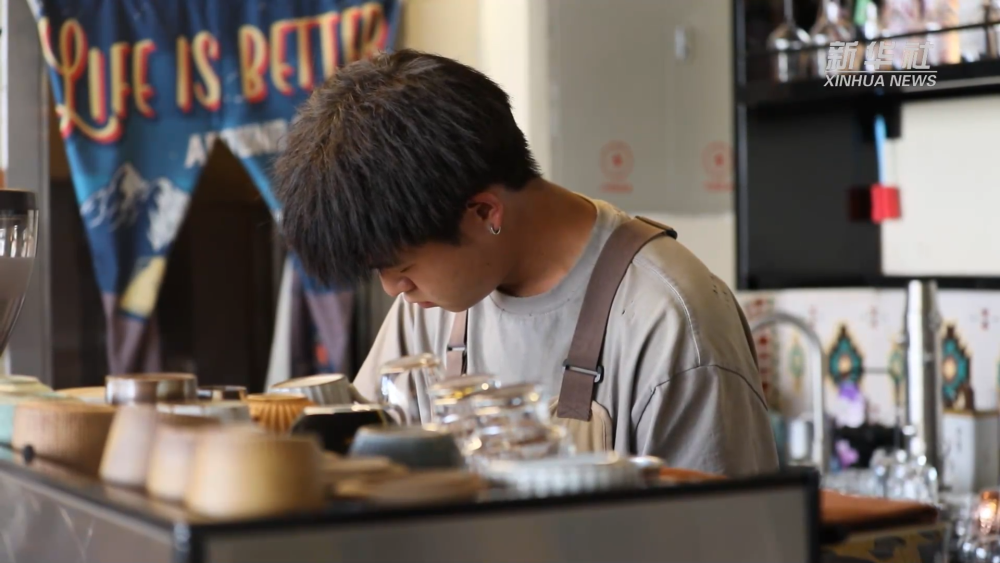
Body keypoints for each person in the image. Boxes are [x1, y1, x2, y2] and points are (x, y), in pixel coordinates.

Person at [272, 49, 779, 476]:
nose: (392, 289)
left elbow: (730, 534)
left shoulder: (670, 322)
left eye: (400, 266)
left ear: (484, 212)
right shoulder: (428, 307)